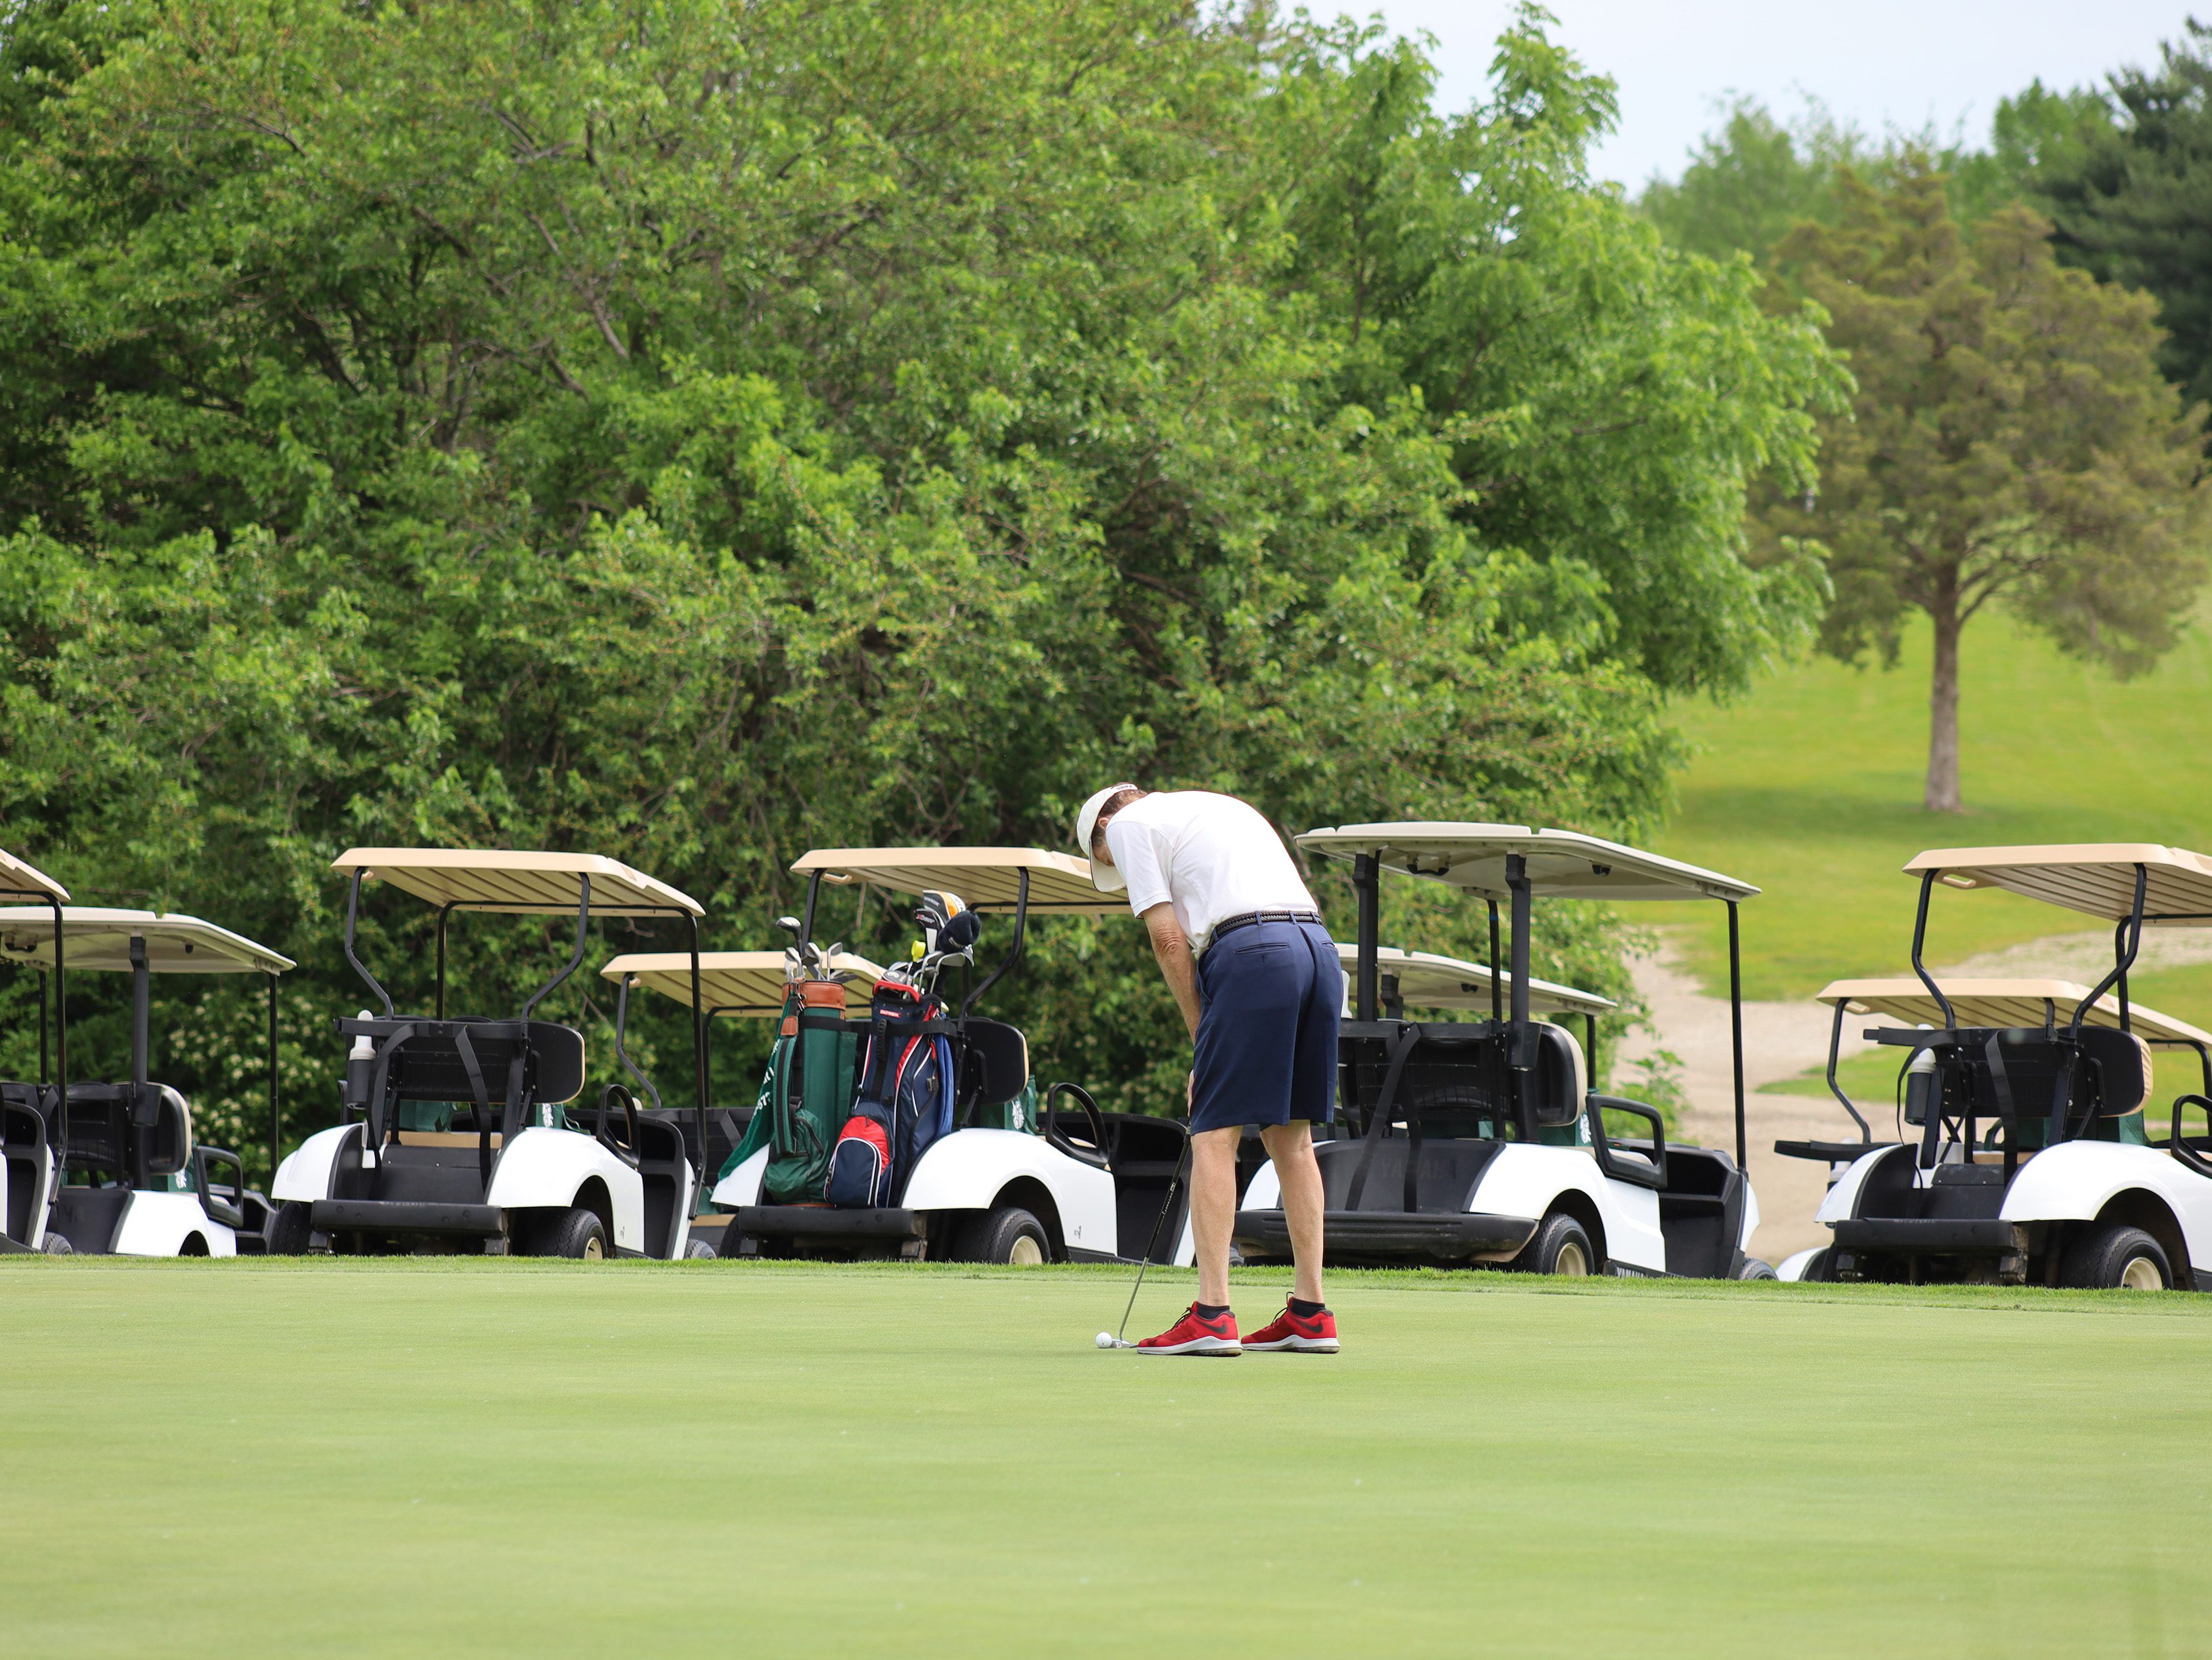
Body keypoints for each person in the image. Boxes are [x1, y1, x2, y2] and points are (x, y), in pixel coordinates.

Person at [1075, 783, 1339, 1355]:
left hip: (1253, 955)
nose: (1117, 867)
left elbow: (1168, 938)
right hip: (1317, 950)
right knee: (1291, 1138)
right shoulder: (1215, 806)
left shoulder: (1126, 827)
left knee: (1214, 1135)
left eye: (1108, 864)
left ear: (1102, 835)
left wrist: (1203, 1039)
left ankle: (1212, 1313)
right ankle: (1310, 1313)